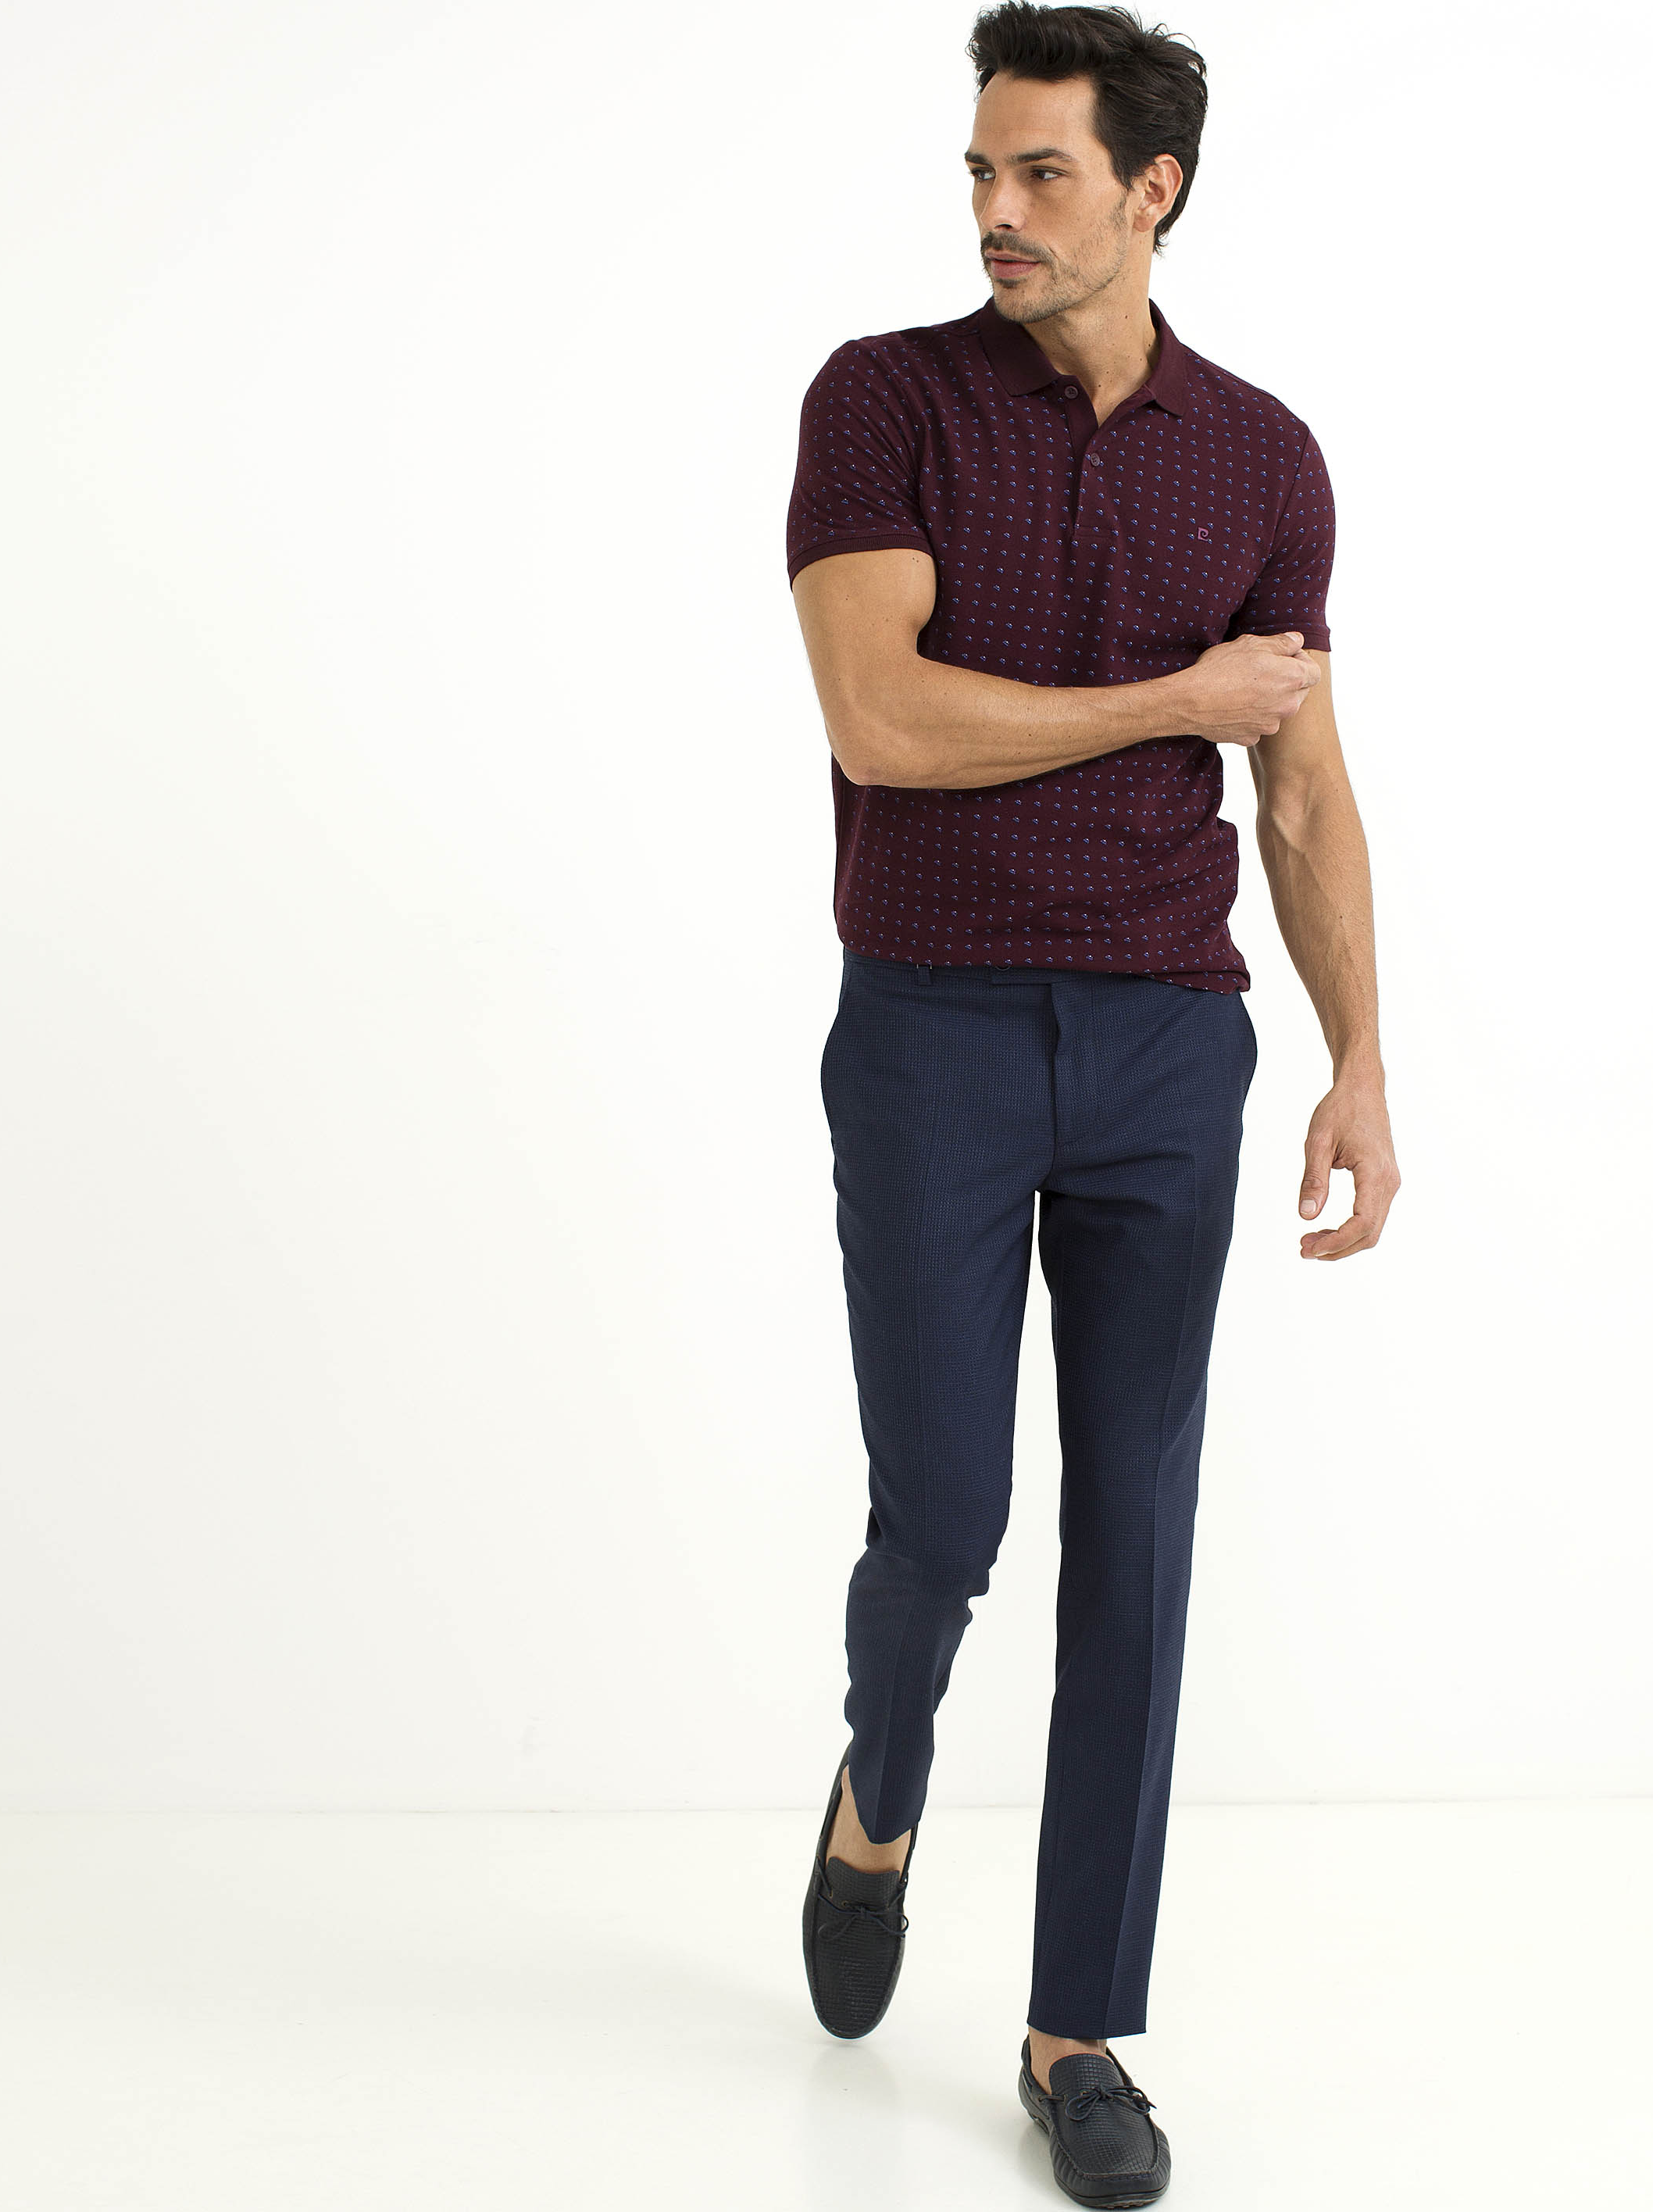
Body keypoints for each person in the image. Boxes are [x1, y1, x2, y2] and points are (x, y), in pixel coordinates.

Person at [786, 4, 1400, 2203]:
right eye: (980, 168)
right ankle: (877, 1798)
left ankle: (1078, 2033)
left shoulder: (1264, 458)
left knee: (1135, 1534)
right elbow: (881, 720)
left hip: (1164, 1042)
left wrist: (1357, 1056)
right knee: (943, 1521)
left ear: (1154, 190)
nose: (995, 209)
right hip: (933, 1028)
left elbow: (1298, 786)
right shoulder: (885, 401)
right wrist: (1173, 697)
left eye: (1040, 171)